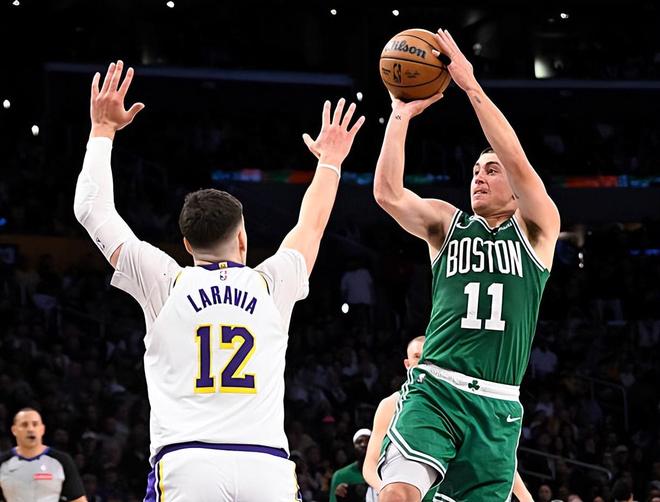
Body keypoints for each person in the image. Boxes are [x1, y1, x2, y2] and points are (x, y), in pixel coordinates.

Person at [73, 60, 364, 501]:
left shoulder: (165, 281)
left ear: (186, 244)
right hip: (265, 466)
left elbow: (91, 209)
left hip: (188, 462)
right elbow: (312, 224)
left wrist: (102, 130)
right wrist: (330, 162)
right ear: (243, 238)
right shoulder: (271, 284)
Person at [373, 28, 561, 502]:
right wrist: (399, 115)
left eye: (491, 171)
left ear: (515, 187)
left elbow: (516, 159)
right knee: (398, 493)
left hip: (497, 406)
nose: (479, 177)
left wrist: (470, 86)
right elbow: (388, 194)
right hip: (436, 388)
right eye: (476, 171)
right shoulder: (447, 223)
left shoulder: (537, 229)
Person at [362, 336, 534, 502]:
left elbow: (494, 458)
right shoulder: (392, 404)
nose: (422, 361)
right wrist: (394, 491)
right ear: (407, 365)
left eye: (427, 355)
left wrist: (526, 497)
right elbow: (369, 465)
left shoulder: (460, 402)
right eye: (416, 356)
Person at [0, 408, 86, 502]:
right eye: (24, 425)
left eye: (35, 424)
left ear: (42, 429)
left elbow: (78, 500)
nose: (30, 429)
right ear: (14, 430)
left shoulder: (62, 460)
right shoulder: (2, 462)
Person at [329, 429, 371, 502]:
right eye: (359, 442)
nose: (364, 444)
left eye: (368, 441)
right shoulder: (340, 475)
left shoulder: (385, 471)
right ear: (353, 447)